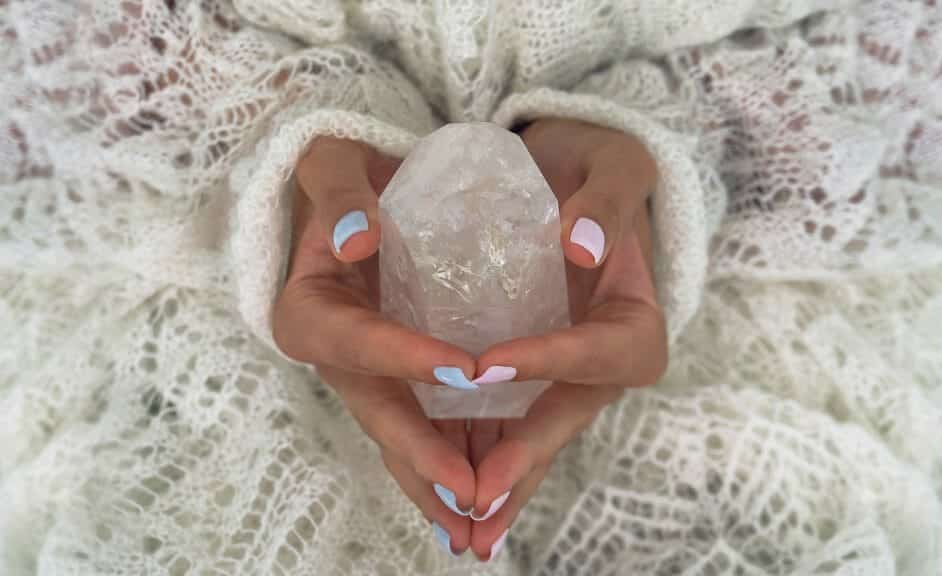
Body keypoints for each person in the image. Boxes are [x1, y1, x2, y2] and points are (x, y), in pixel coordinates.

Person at [1, 1, 940, 574]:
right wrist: (296, 164)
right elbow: (60, 53)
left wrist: (653, 176)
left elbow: (899, 74)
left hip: (775, 345)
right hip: (172, 344)